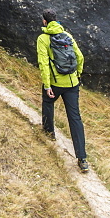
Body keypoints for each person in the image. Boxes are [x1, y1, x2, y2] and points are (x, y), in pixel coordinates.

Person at [37, 9, 89, 173]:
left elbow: (43, 64)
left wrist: (47, 85)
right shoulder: (67, 36)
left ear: (45, 21)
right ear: (56, 21)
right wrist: (78, 74)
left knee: (48, 102)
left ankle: (48, 133)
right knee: (75, 118)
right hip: (72, 83)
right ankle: (82, 159)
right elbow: (80, 57)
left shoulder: (43, 39)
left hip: (55, 83)